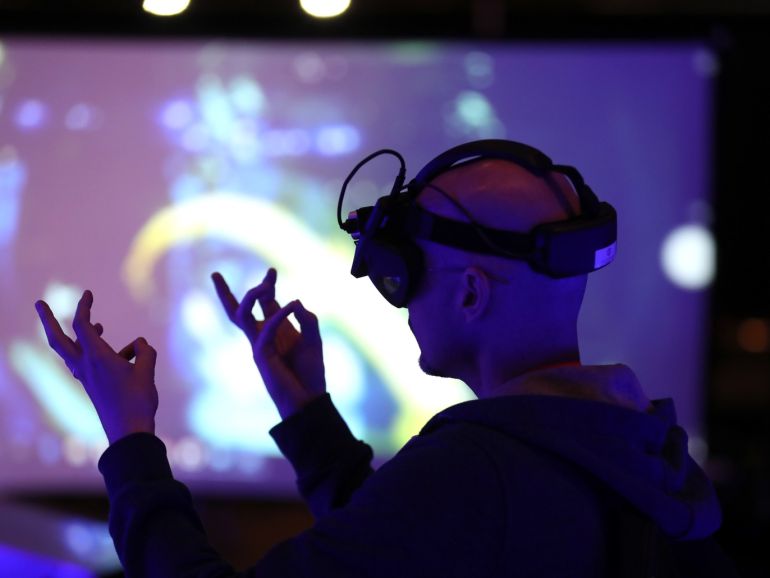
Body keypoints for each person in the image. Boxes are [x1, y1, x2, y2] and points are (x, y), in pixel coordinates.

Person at [35, 141, 737, 577]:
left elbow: (442, 513)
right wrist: (308, 415)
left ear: (468, 293)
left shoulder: (476, 470)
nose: (401, 303)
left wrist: (129, 439)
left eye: (408, 276)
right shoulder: (629, 441)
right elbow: (410, 545)